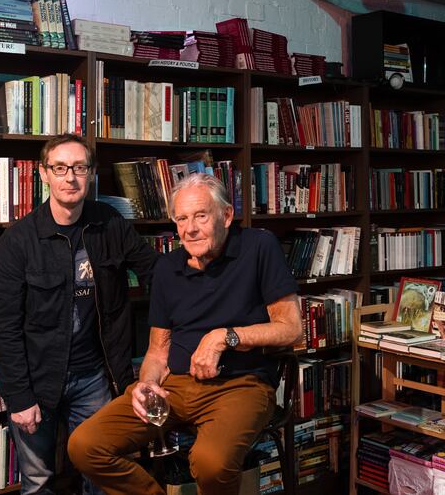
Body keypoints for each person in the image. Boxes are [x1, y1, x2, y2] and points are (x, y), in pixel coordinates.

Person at [68, 173, 303, 495]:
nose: (190, 228)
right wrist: (148, 384)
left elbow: (291, 329)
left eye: (201, 216)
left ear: (227, 215)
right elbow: (157, 351)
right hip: (176, 387)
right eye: (181, 219)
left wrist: (223, 336)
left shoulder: (258, 246)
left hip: (240, 386)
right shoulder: (167, 268)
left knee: (211, 463)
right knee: (85, 445)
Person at [0, 134, 159, 495]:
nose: (71, 177)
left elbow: (156, 273)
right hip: (37, 379)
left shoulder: (109, 223)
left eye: (80, 168)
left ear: (91, 173)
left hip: (95, 376)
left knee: (98, 473)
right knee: (38, 482)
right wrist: (19, 397)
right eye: (61, 168)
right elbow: (3, 327)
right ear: (44, 174)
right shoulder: (18, 241)